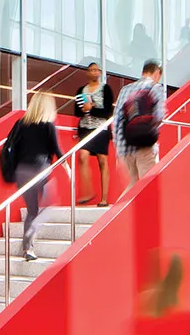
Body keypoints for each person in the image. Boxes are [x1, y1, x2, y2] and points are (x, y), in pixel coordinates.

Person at [6, 93, 62, 261]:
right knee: (50, 204)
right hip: (40, 170)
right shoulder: (48, 125)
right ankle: (34, 229)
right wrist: (68, 168)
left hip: (22, 172)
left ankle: (27, 249)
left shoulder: (21, 124)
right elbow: (57, 150)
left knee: (32, 210)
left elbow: (11, 147)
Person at [113, 61, 166, 187]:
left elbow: (117, 120)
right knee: (148, 186)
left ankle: (122, 207)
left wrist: (119, 149)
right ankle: (125, 207)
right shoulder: (156, 88)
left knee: (133, 186)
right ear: (157, 73)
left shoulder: (125, 89)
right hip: (145, 145)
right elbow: (159, 116)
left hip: (126, 145)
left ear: (143, 72)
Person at [73, 63, 115, 205]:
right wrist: (85, 109)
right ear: (87, 72)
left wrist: (92, 108)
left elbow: (108, 111)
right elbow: (76, 111)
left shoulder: (105, 89)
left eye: (97, 70)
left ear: (100, 72)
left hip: (101, 128)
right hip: (85, 127)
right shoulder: (81, 90)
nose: (94, 72)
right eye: (91, 70)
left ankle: (104, 198)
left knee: (102, 160)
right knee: (82, 156)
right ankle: (88, 191)